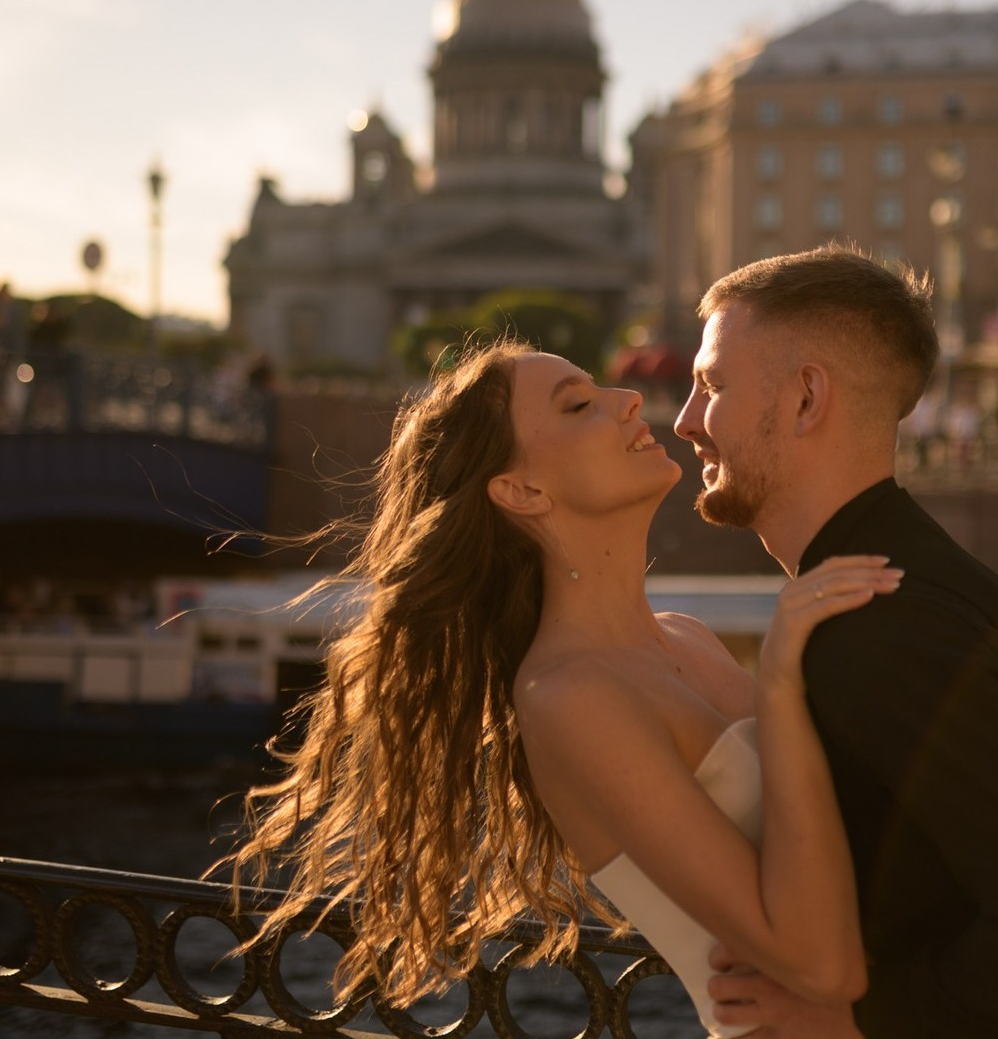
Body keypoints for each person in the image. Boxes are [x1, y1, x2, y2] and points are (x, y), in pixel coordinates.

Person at [231, 339, 899, 1035]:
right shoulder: (568, 696)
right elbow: (824, 970)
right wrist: (784, 678)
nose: (628, 399)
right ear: (522, 491)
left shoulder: (689, 638)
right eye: (580, 405)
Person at [673, 246, 998, 1038]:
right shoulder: (921, 578)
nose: (683, 421)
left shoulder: (880, 626)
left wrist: (859, 1021)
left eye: (711, 386)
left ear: (806, 398)